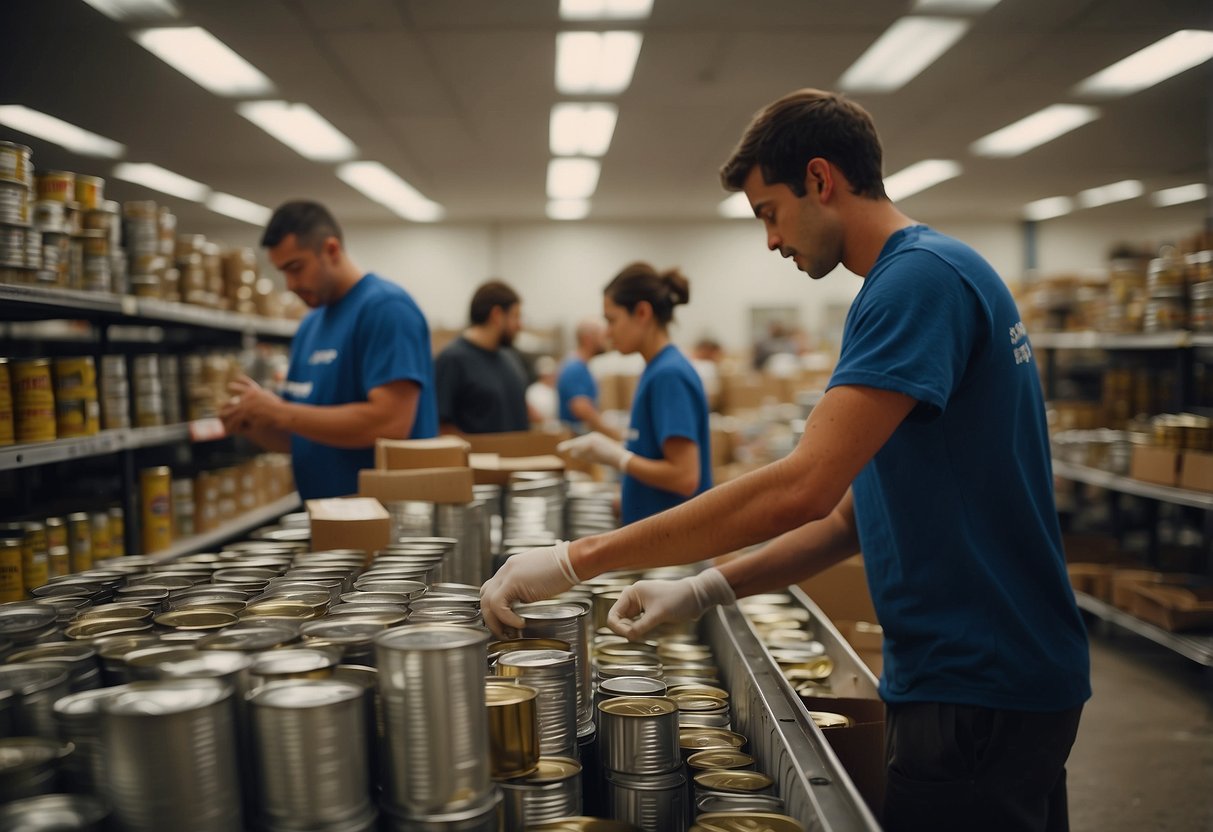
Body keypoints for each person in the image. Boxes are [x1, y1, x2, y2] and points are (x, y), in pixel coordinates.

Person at [481, 89, 1090, 832]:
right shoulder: (922, 277)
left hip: (978, 684)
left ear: (820, 179)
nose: (769, 241)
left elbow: (801, 486)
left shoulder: (915, 282)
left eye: (768, 212)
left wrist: (578, 561)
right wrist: (703, 590)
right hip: (976, 675)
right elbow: (844, 520)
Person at [219, 200, 438, 500]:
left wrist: (280, 412)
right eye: (282, 271)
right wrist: (253, 421)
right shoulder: (310, 325)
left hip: (388, 522)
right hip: (327, 520)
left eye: (296, 268)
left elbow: (390, 422)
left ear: (331, 250)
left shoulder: (386, 309)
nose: (290, 284)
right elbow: (303, 434)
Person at [558, 262, 712, 525]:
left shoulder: (668, 374)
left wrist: (619, 457)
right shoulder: (656, 369)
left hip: (675, 551)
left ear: (642, 312)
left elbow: (685, 477)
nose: (607, 332)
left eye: (611, 320)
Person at [435, 280, 530, 434]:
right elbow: (442, 425)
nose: (520, 325)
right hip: (478, 457)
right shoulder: (453, 360)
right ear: (497, 315)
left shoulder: (510, 358)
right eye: (516, 316)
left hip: (519, 457)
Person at [557, 317, 616, 437]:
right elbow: (581, 408)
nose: (607, 339)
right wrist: (614, 434)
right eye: (602, 336)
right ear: (588, 339)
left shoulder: (581, 366)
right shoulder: (575, 368)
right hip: (577, 437)